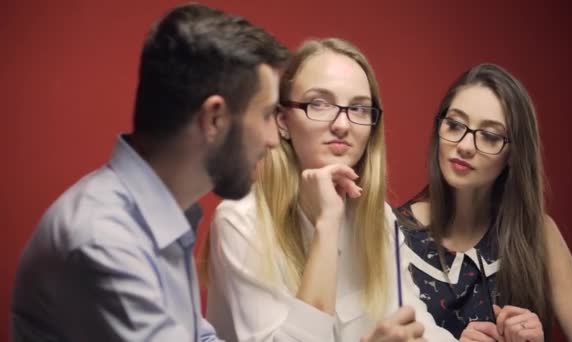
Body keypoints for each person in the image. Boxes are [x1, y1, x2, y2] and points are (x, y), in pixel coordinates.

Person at [11, 3, 288, 341]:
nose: (274, 139)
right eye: (266, 115)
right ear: (214, 119)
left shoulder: (161, 216)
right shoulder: (103, 240)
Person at [203, 37, 455, 341]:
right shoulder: (241, 221)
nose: (342, 124)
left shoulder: (380, 220)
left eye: (359, 109)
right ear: (283, 121)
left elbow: (419, 325)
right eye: (319, 103)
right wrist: (327, 224)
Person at [394, 63, 572, 341]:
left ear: (513, 154)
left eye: (490, 136)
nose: (465, 146)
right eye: (455, 125)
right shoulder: (392, 234)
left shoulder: (538, 234)